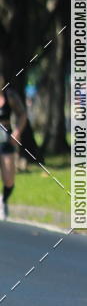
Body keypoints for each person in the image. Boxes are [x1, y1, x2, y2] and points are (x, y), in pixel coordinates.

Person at [0, 73, 28, 220]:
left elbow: (22, 114)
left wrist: (17, 132)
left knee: (9, 179)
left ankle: (3, 200)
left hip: (5, 140)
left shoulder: (9, 95)